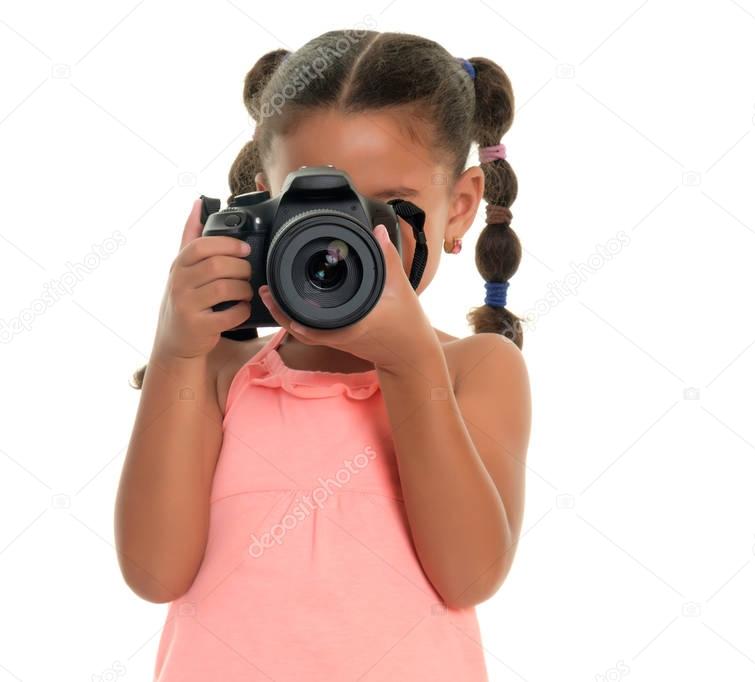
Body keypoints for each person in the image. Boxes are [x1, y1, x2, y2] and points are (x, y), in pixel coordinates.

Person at [114, 29, 531, 681]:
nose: (344, 242)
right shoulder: (222, 373)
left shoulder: (474, 369)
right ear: (263, 202)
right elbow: (152, 572)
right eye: (313, 207)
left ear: (458, 208)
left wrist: (409, 364)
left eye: (390, 209)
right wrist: (176, 354)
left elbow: (468, 575)